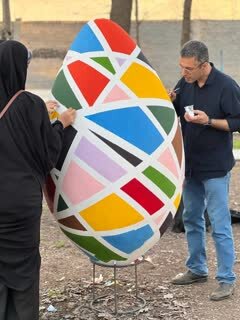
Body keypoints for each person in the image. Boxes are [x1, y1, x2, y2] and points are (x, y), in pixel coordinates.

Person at [0, 40, 76, 319]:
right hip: (20, 206)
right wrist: (61, 123)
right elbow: (47, 154)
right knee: (23, 267)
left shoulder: (29, 107)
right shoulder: (29, 104)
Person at [169, 40, 240, 301]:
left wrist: (208, 121)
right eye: (181, 67)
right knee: (191, 219)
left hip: (215, 167)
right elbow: (176, 112)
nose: (184, 72)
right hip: (191, 166)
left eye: (188, 68)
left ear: (203, 65)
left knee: (220, 224)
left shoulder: (226, 85)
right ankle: (197, 269)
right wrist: (170, 101)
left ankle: (226, 279)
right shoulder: (185, 84)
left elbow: (237, 121)